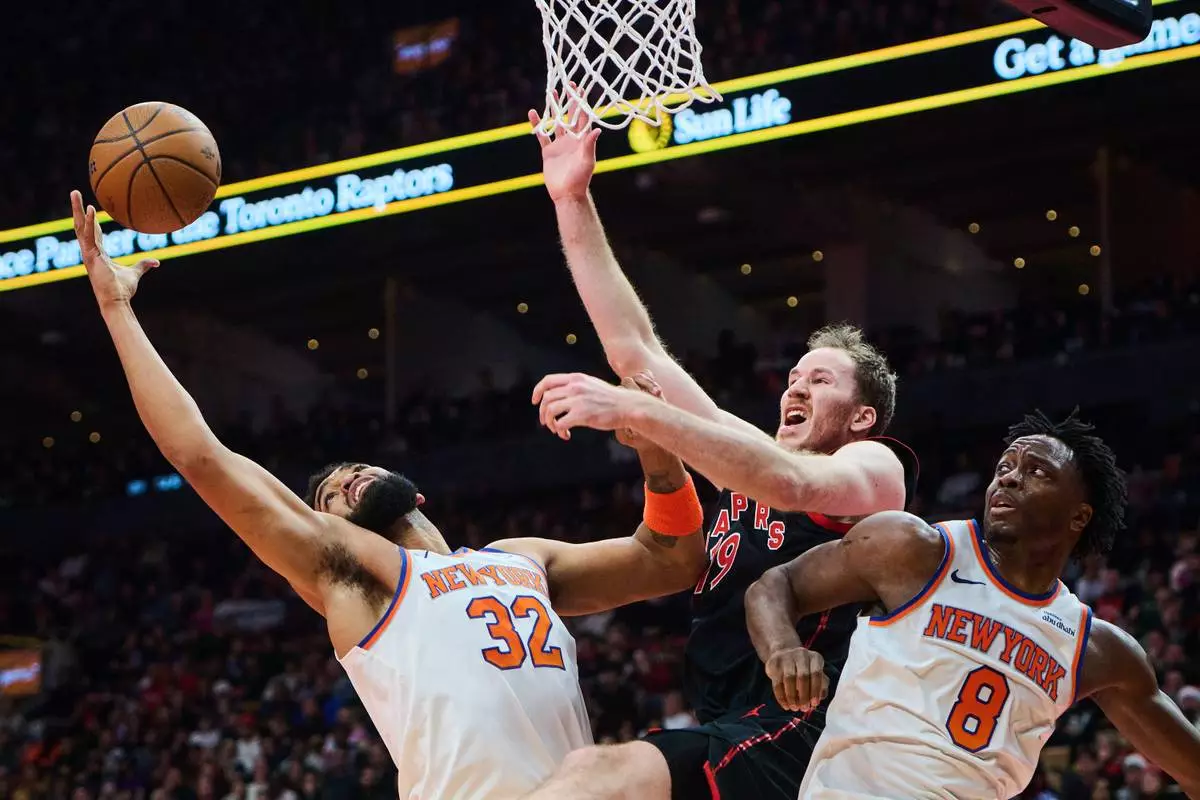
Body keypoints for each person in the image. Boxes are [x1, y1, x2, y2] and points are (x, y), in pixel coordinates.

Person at [69, 190, 710, 799]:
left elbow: (670, 559)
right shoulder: (355, 572)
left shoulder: (521, 559)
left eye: (352, 470)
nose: (343, 481)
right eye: (329, 496)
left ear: (417, 493)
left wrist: (656, 449)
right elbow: (200, 455)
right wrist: (116, 309)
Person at [521, 108, 917, 799]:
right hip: (734, 722)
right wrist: (572, 200)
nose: (796, 386)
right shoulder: (748, 458)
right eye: (794, 376)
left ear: (862, 417)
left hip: (811, 726)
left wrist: (637, 410)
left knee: (597, 776)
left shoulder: (874, 468)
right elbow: (635, 351)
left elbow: (792, 485)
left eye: (821, 380)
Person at [745, 410, 1200, 798]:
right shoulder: (913, 549)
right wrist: (782, 649)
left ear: (1079, 516)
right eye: (1005, 466)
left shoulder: (1094, 649)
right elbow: (774, 584)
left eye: (1037, 471)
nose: (1010, 477)